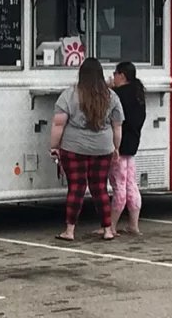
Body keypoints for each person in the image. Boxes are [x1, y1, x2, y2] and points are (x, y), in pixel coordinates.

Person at [49, 57, 124, 241]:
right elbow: (117, 126)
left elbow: (58, 124)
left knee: (76, 188)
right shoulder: (111, 96)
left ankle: (70, 231)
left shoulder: (69, 94)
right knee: (100, 188)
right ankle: (107, 230)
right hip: (102, 147)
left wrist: (54, 146)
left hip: (74, 147)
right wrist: (116, 147)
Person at [104, 61, 147, 236]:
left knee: (119, 185)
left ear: (122, 75)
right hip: (133, 143)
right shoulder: (138, 93)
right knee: (131, 184)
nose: (113, 76)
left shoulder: (117, 94)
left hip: (119, 144)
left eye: (115, 73)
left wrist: (108, 88)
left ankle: (112, 226)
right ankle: (133, 225)